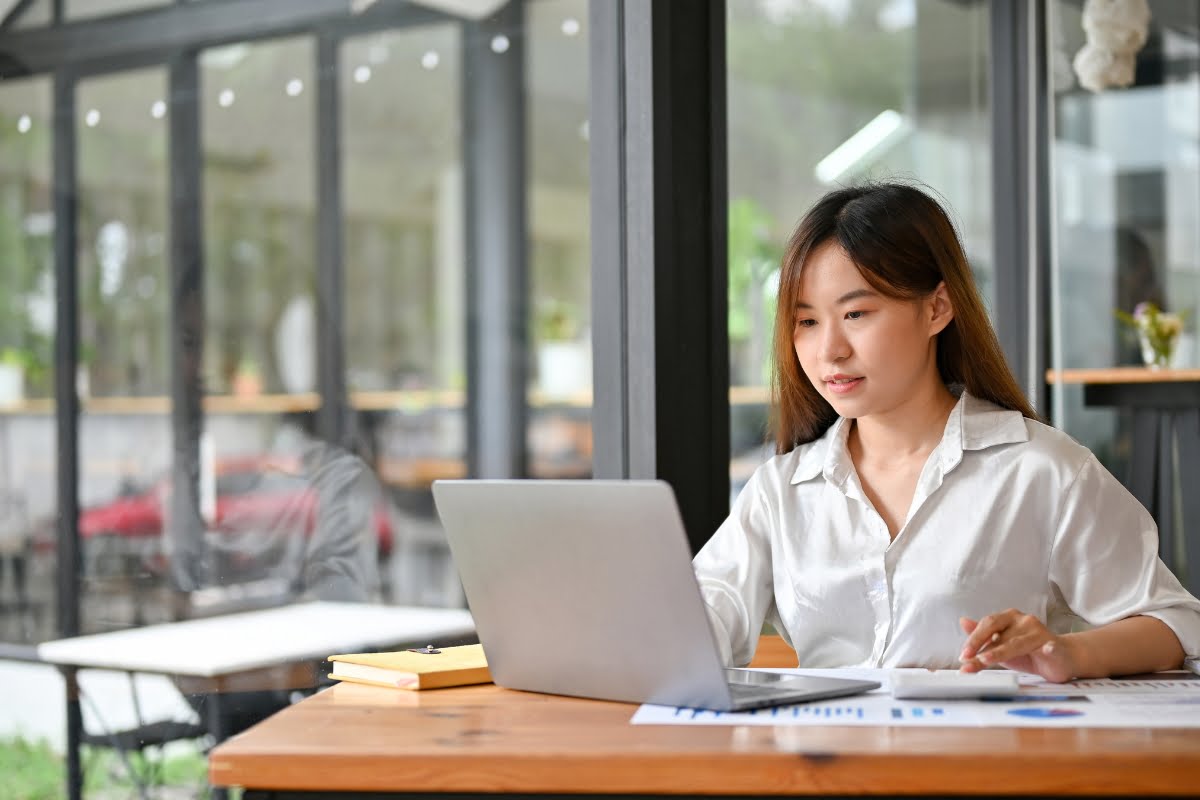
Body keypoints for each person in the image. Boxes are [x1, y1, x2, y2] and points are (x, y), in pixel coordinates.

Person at [694, 181, 1200, 682]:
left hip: (987, 758)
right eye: (806, 322)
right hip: (824, 758)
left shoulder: (1040, 469)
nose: (829, 350)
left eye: (855, 313)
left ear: (937, 308)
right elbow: (698, 621)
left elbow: (1177, 623)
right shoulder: (780, 492)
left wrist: (1065, 653)